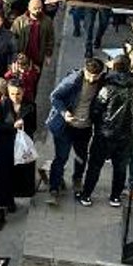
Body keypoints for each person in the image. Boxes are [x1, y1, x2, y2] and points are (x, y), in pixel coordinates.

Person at [78, 55, 133, 208]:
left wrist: (97, 124)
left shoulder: (107, 88)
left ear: (115, 67)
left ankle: (86, 195)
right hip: (127, 135)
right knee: (120, 167)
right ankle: (115, 197)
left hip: (105, 133)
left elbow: (96, 110)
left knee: (95, 165)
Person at [46, 58, 106, 205]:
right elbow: (54, 96)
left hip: (85, 127)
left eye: (95, 76)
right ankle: (54, 187)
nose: (92, 79)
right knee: (61, 157)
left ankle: (77, 180)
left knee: (81, 156)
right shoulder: (73, 80)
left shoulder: (102, 82)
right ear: (84, 70)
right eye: (89, 75)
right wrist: (64, 112)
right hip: (66, 126)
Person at [0, 78, 37, 231]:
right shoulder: (2, 105)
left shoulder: (30, 106)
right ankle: (1, 213)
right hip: (4, 147)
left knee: (16, 177)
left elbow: (34, 127)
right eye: (12, 94)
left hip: (21, 148)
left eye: (18, 94)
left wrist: (24, 125)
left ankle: (10, 201)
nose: (15, 97)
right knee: (3, 178)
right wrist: (13, 126)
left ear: (23, 92)